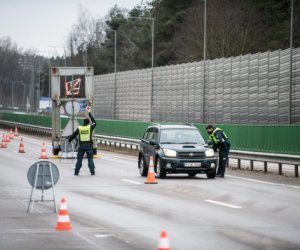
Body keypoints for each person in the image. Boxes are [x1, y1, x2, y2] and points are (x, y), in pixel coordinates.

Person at [68, 110, 96, 175]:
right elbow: (95, 122)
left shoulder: (80, 128)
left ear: (83, 122)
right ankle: (92, 171)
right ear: (88, 123)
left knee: (79, 159)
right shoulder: (90, 127)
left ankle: (76, 171)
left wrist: (69, 140)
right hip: (89, 145)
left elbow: (74, 134)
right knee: (90, 159)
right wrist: (90, 114)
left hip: (81, 146)